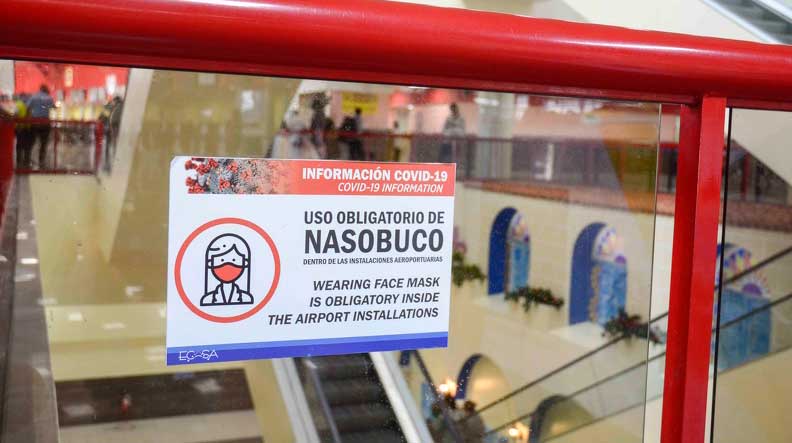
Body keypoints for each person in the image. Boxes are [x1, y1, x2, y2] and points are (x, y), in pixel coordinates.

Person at [201, 234, 254, 306]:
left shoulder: (246, 298)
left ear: (245, 263)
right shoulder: (207, 299)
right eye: (221, 260)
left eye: (234, 260)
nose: (227, 265)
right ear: (210, 263)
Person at [26, 85, 55, 169]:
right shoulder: (49, 98)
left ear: (40, 89)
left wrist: (29, 117)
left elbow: (27, 107)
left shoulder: (34, 97)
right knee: (43, 143)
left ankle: (27, 161)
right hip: (45, 123)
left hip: (34, 123)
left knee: (31, 143)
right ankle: (41, 161)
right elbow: (53, 107)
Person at [12, 94, 32, 168]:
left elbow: (15, 115)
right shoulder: (26, 105)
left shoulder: (18, 104)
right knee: (26, 146)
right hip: (25, 128)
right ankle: (25, 162)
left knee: (20, 145)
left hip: (20, 128)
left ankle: (20, 162)